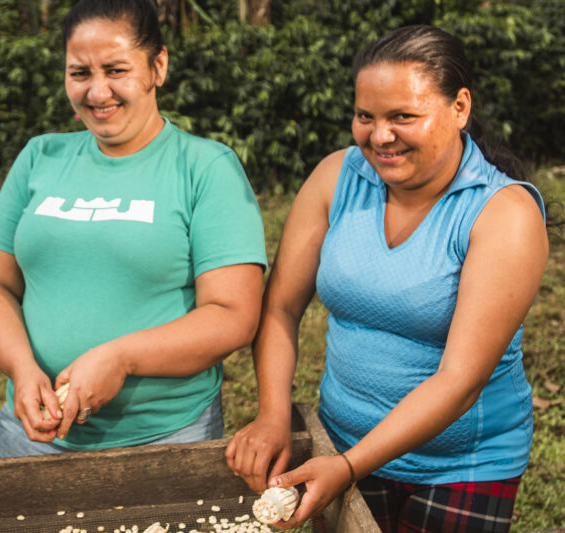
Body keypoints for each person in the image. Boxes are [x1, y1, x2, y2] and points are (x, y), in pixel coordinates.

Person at [225, 25, 548, 532]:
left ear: (459, 108)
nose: (379, 136)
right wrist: (273, 414)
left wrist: (350, 467)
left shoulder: (503, 213)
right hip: (340, 439)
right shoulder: (337, 176)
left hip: (458, 466)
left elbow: (460, 381)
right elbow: (282, 308)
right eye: (365, 116)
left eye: (403, 116)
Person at [0, 0, 267, 458]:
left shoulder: (206, 168)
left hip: (165, 438)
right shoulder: (39, 157)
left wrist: (120, 358)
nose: (97, 91)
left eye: (116, 69)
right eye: (80, 73)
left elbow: (232, 315)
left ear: (157, 66)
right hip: (32, 433)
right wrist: (22, 368)